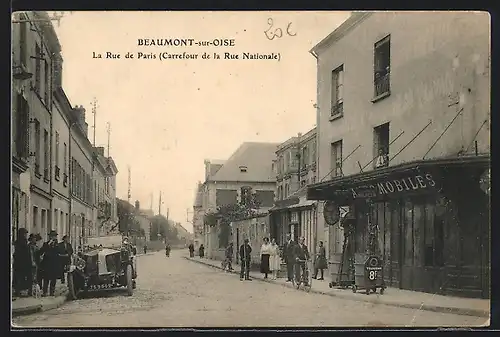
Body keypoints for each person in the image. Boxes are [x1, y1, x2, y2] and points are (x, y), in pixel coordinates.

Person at [40, 230, 60, 296]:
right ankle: (44, 292)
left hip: (54, 264)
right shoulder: (46, 244)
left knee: (53, 279)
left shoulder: (57, 245)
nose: (53, 237)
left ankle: (52, 292)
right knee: (46, 279)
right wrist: (48, 244)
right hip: (47, 264)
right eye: (52, 236)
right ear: (49, 237)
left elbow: (58, 253)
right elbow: (42, 251)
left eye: (54, 236)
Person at [13, 228, 32, 297]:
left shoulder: (20, 242)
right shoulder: (21, 242)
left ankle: (18, 291)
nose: (25, 235)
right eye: (24, 234)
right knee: (20, 277)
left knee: (20, 277)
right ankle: (18, 291)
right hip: (22, 263)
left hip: (21, 263)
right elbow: (22, 253)